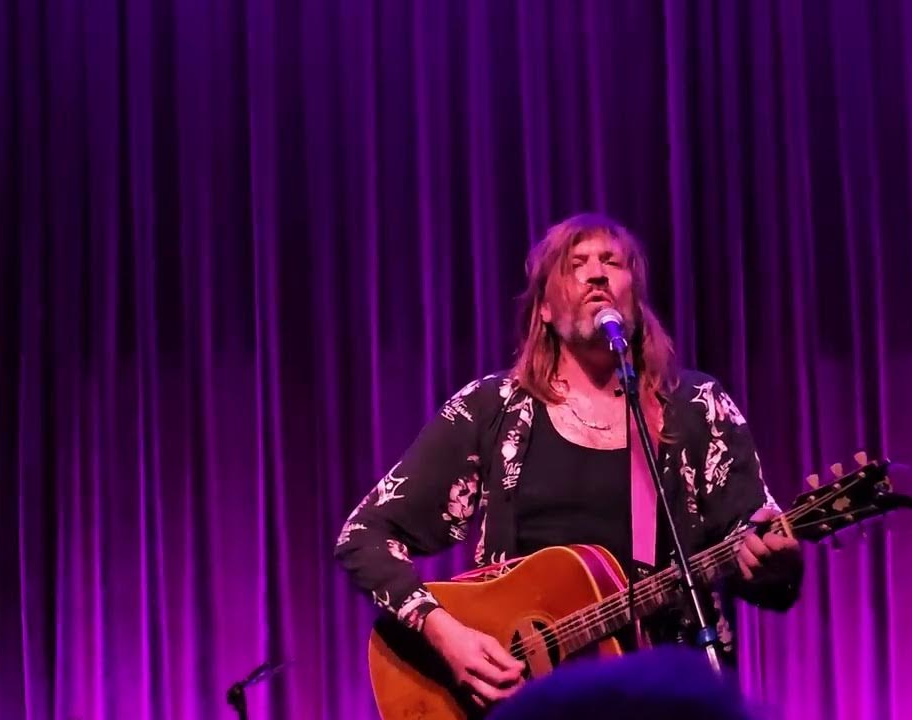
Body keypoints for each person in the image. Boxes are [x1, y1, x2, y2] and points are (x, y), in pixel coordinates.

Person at [335, 213, 802, 707]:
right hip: (524, 705)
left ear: (635, 301)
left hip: (659, 698)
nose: (597, 273)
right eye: (576, 263)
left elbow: (763, 564)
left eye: (612, 262)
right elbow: (362, 536)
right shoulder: (493, 409)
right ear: (543, 310)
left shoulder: (697, 408)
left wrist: (776, 563)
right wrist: (446, 634)